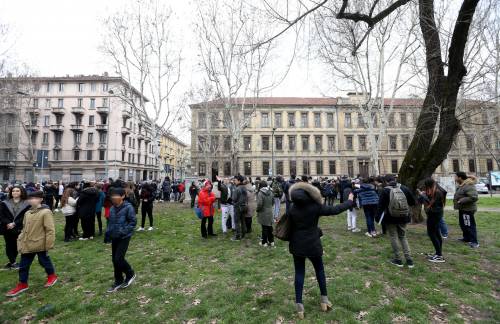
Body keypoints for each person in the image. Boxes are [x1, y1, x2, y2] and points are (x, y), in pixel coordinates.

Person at [287, 181, 354, 319]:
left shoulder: (292, 208)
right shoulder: (315, 207)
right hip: (313, 244)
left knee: (299, 273)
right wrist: (349, 201)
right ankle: (324, 300)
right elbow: (335, 210)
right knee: (320, 270)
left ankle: (299, 306)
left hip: (297, 244)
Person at [5, 191, 58, 297]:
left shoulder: (46, 212)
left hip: (40, 244)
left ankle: (52, 276)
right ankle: (22, 284)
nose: (31, 200)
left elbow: (50, 230)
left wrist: (48, 245)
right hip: (27, 244)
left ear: (40, 199)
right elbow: (24, 228)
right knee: (23, 266)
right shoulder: (27, 213)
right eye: (29, 198)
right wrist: (20, 239)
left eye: (34, 198)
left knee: (44, 262)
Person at [376, 175, 416, 268]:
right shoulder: (404, 188)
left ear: (386, 181)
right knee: (403, 236)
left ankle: (398, 259)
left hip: (390, 217)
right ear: (395, 179)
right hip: (403, 217)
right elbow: (413, 202)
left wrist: (377, 218)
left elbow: (380, 206)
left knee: (393, 236)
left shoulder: (385, 190)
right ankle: (409, 260)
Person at [104, 187, 137, 293]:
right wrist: (108, 234)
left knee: (119, 258)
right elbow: (110, 222)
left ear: (122, 196)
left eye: (116, 196)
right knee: (114, 260)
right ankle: (118, 280)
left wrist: (123, 231)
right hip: (114, 236)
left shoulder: (128, 207)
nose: (113, 198)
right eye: (112, 196)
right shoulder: (113, 208)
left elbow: (132, 222)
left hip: (124, 236)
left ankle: (130, 273)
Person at [0, 185, 30, 269]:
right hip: (7, 227)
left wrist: (14, 223)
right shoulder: (5, 203)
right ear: (10, 192)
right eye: (13, 191)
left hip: (19, 227)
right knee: (9, 244)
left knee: (17, 244)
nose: (15, 192)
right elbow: (2, 216)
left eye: (17, 191)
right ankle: (13, 262)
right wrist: (8, 223)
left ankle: (12, 261)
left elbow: (25, 216)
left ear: (21, 192)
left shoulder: (26, 204)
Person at [417, 178, 446, 262]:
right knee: (436, 233)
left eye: (426, 186)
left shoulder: (437, 192)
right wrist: (423, 195)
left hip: (434, 215)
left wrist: (422, 195)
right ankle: (438, 253)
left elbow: (431, 203)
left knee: (432, 234)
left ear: (428, 185)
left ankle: (439, 256)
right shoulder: (435, 190)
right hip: (435, 214)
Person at [453, 172, 479, 248]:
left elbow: (474, 197)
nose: (455, 178)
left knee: (469, 225)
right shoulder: (462, 185)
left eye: (456, 177)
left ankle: (474, 242)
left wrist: (461, 200)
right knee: (463, 224)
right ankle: (466, 238)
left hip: (468, 210)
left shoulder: (469, 185)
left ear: (460, 178)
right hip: (462, 209)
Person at [256, 180, 274, 247]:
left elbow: (260, 204)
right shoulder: (271, 191)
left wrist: (257, 210)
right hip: (269, 211)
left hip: (263, 212)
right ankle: (271, 241)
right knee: (270, 227)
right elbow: (273, 201)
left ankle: (264, 242)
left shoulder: (260, 193)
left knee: (264, 228)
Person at [231, 175, 248, 241]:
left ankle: (237, 236)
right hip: (244, 206)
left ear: (239, 180)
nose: (234, 181)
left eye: (235, 180)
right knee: (243, 221)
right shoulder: (244, 187)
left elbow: (234, 198)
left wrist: (232, 199)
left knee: (237, 221)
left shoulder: (237, 188)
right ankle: (243, 234)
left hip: (238, 207)